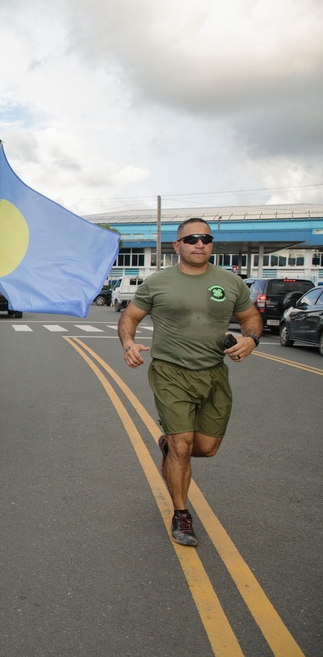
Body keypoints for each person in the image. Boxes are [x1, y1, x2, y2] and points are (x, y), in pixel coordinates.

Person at [118, 218, 261, 547]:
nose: (200, 244)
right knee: (183, 445)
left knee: (206, 449)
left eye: (206, 239)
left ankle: (168, 448)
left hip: (214, 373)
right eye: (192, 238)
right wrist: (128, 342)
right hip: (171, 373)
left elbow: (251, 318)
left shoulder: (230, 283)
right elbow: (130, 317)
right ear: (177, 245)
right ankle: (181, 513)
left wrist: (251, 339)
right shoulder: (158, 283)